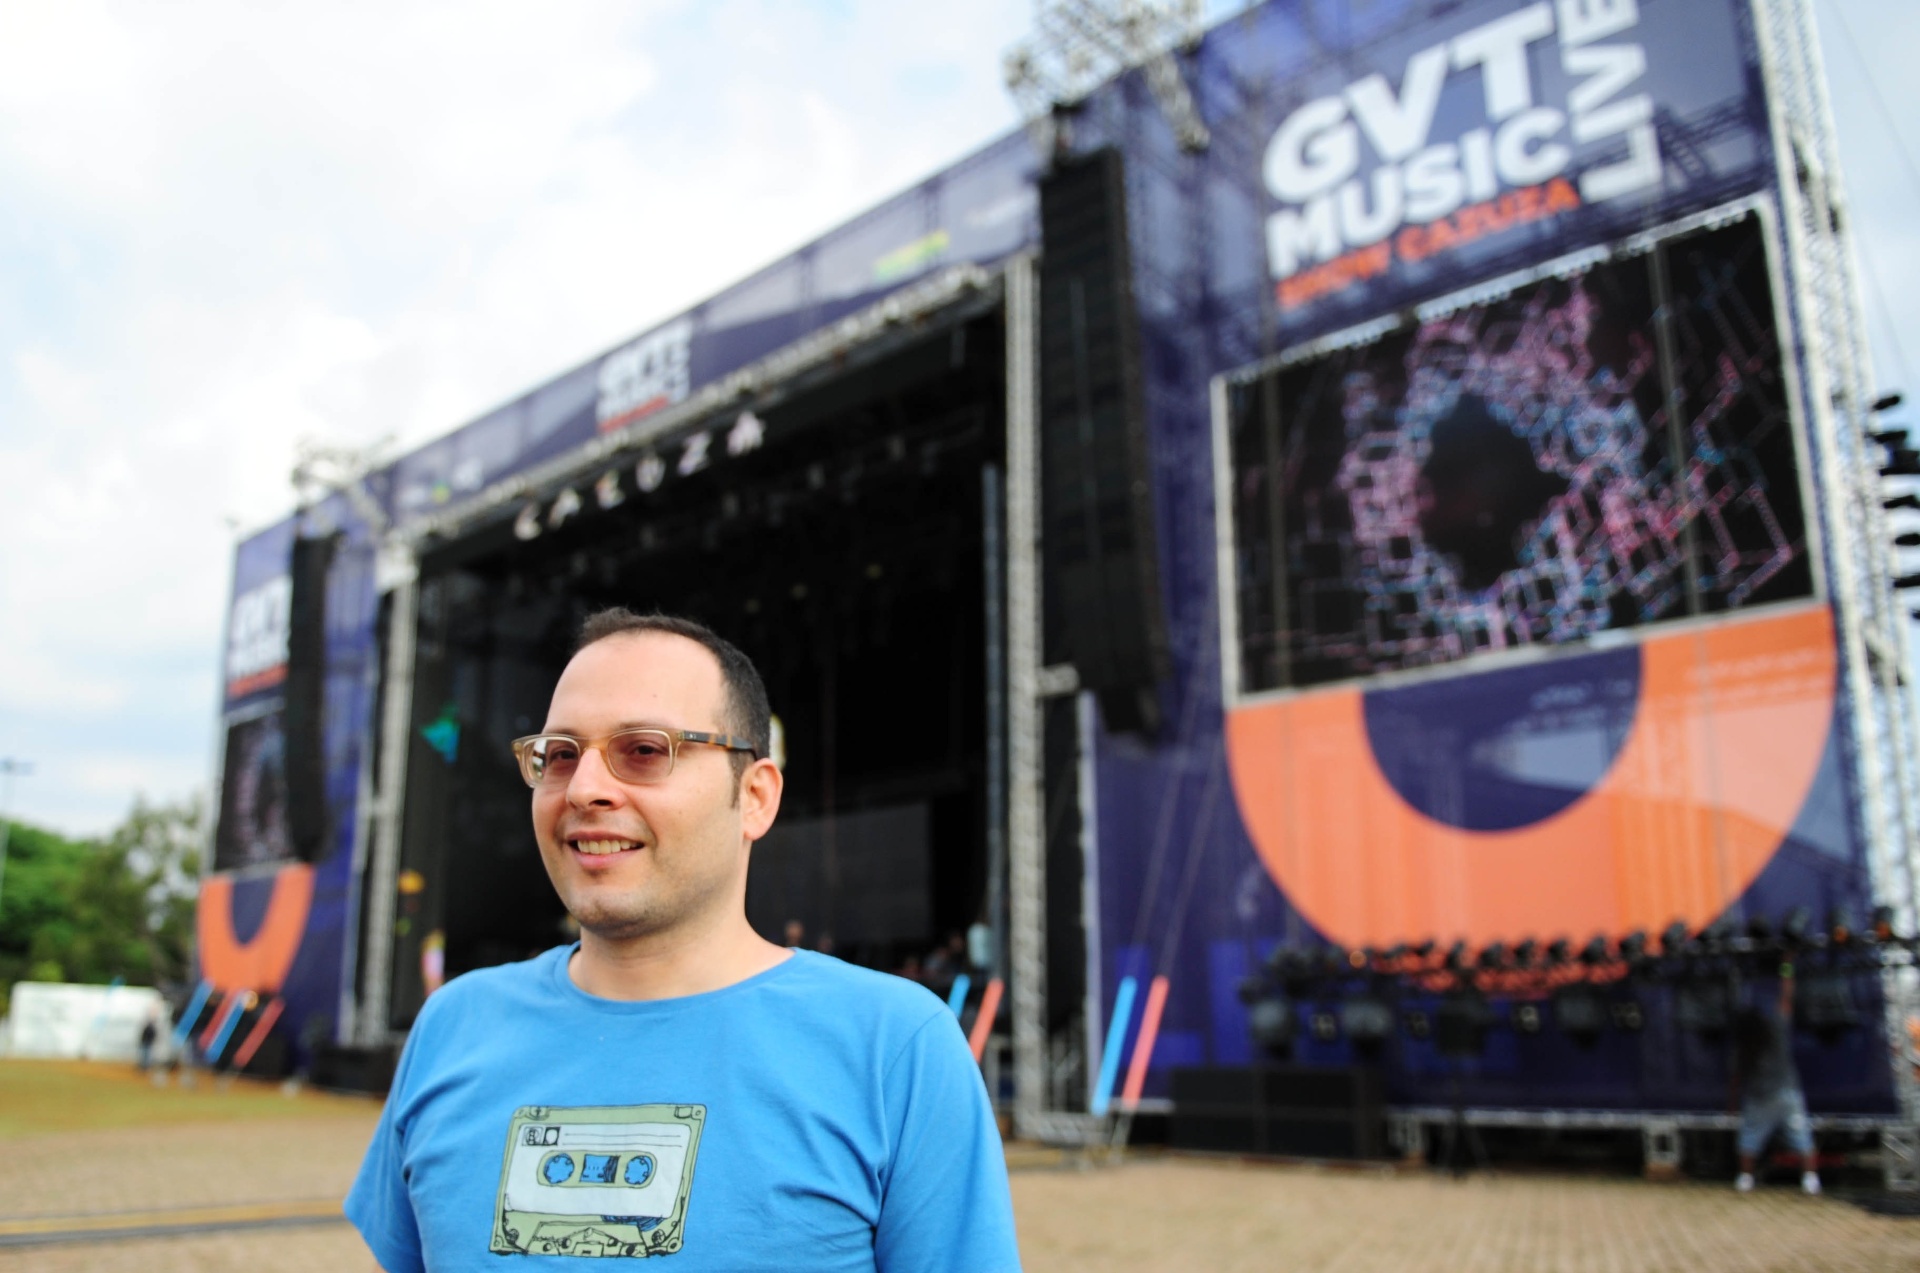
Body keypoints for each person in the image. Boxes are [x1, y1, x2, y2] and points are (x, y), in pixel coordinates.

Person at [346, 609, 1019, 1271]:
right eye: (559, 754)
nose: (584, 788)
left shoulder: (893, 1048)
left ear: (755, 796)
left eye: (643, 750)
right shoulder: (452, 1027)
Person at [1730, 964, 1820, 1195]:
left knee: (1750, 1138)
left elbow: (1737, 1077)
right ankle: (1810, 1180)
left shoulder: (1744, 1049)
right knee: (1802, 1138)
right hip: (1787, 1093)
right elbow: (1786, 1000)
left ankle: (1745, 1179)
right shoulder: (1776, 1033)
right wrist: (1788, 968)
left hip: (1760, 1097)